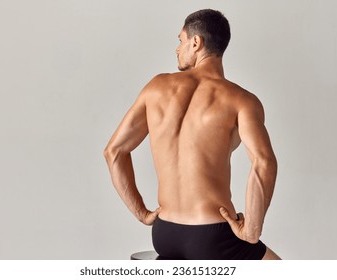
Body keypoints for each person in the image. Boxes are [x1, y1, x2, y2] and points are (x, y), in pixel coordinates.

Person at [104, 9, 280, 260]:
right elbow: (264, 162)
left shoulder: (156, 87)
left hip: (164, 233)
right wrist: (251, 229)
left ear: (196, 42)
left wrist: (142, 213)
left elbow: (114, 151)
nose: (177, 48)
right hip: (214, 236)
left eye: (180, 40)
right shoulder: (241, 100)